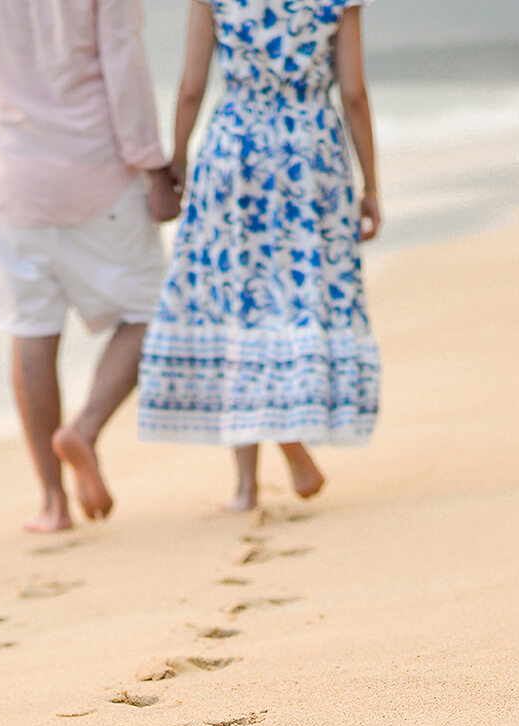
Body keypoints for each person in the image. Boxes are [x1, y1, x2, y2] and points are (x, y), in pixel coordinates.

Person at [138, 0, 381, 512]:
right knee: (294, 304)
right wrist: (371, 186)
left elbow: (190, 87)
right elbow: (354, 94)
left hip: (236, 151)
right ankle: (288, 451)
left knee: (237, 306)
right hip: (310, 154)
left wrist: (178, 160)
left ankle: (247, 487)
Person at [0, 0, 180, 532]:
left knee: (31, 331)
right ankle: (84, 429)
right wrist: (151, 164)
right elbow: (122, 68)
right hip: (96, 172)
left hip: (13, 180)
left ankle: (52, 503)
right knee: (155, 310)